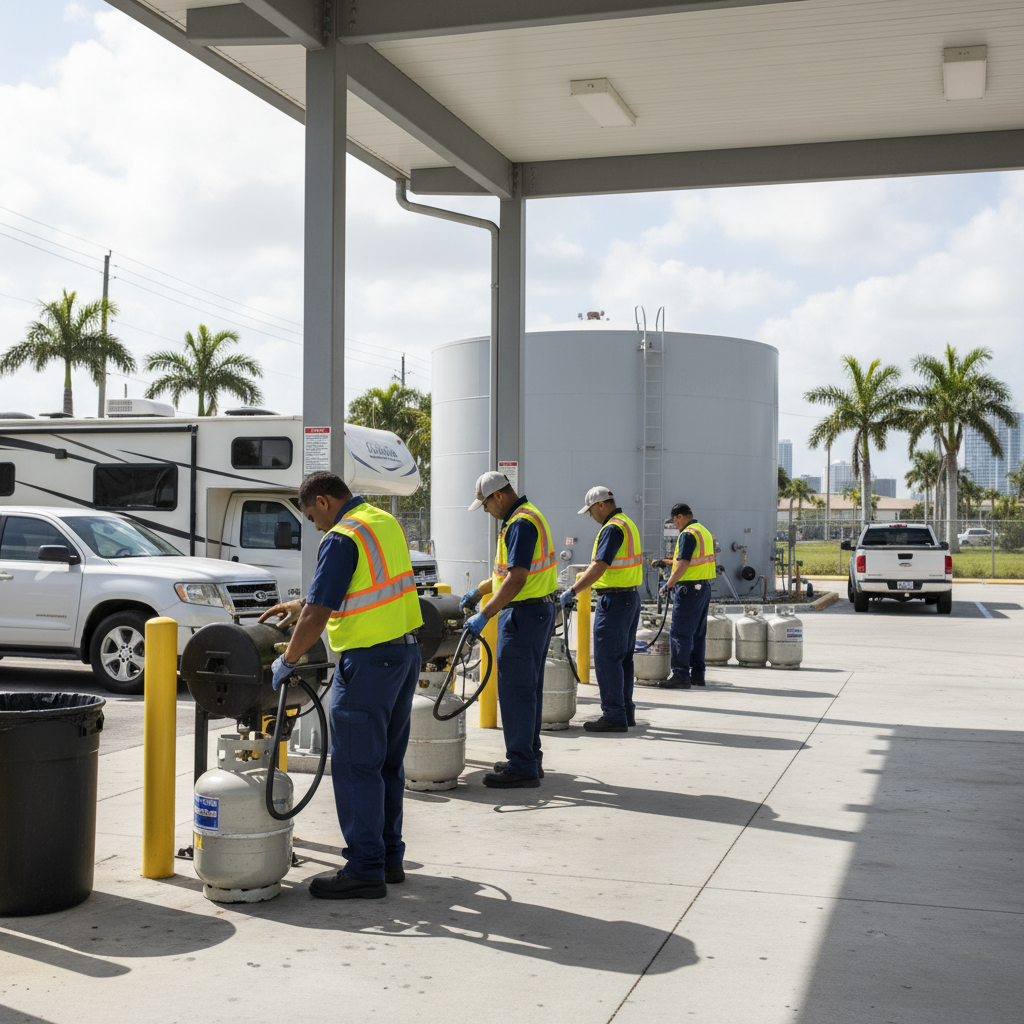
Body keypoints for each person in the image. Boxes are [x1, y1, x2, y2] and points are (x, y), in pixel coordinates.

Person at [258, 471, 423, 900]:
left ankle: (365, 868)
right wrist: (303, 603)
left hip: (368, 663)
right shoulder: (382, 522)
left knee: (354, 766)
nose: (315, 525)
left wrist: (287, 659)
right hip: (404, 654)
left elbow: (318, 618)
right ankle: (388, 857)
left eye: (312, 515)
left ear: (325, 501)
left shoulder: (341, 536)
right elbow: (367, 588)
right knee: (386, 763)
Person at [460, 471, 557, 788]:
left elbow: (516, 579)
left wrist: (485, 613)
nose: (486, 511)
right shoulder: (527, 516)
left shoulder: (519, 524)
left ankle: (522, 766)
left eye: (485, 505)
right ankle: (529, 757)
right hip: (536, 612)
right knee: (528, 690)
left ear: (498, 496)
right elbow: (506, 574)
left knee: (516, 692)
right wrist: (479, 590)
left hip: (523, 616)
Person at [563, 486, 642, 732]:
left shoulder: (612, 528)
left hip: (615, 602)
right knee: (623, 659)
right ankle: (625, 711)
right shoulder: (627, 523)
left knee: (608, 660)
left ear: (600, 505)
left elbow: (599, 567)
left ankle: (614, 715)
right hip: (629, 598)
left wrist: (572, 590)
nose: (590, 516)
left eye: (590, 511)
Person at [658, 503, 716, 689]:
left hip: (689, 590)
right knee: (698, 633)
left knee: (680, 633)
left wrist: (668, 585)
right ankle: (698, 675)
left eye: (675, 521)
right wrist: (667, 562)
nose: (676, 526)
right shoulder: (703, 531)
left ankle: (681, 675)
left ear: (679, 517)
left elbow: (683, 564)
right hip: (703, 587)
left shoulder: (688, 533)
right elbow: (694, 560)